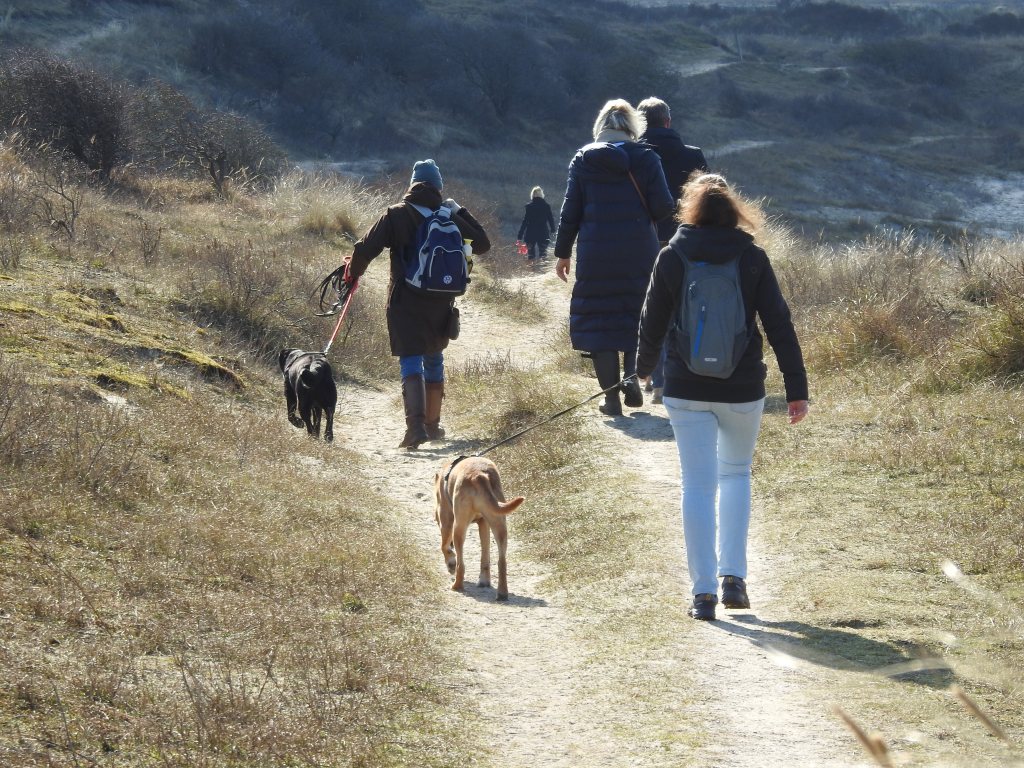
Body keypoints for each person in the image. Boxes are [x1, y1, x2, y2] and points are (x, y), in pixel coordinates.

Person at [635, 172, 809, 621]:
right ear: (735, 210)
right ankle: (734, 579)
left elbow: (652, 320)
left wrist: (641, 369)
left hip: (685, 387)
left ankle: (703, 594)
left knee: (696, 485)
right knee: (735, 475)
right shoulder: (752, 257)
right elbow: (779, 323)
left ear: (690, 210)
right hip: (742, 388)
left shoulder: (672, 255)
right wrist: (797, 389)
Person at [342, 159, 490, 449]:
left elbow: (365, 249)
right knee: (434, 357)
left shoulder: (396, 214)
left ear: (412, 185)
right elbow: (483, 244)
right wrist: (459, 210)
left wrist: (352, 275)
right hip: (440, 302)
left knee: (411, 358)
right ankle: (432, 426)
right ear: (438, 187)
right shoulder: (448, 215)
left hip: (404, 301)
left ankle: (415, 429)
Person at [554, 99, 674, 416]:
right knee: (636, 315)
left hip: (596, 253)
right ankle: (631, 377)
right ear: (633, 126)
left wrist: (562, 253)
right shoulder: (646, 157)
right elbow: (663, 206)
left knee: (599, 321)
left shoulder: (583, 160)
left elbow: (570, 211)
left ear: (600, 127)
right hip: (640, 250)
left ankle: (611, 401)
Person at [637, 96, 709, 405]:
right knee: (683, 309)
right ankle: (678, 376)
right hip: (684, 242)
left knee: (650, 308)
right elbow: (708, 201)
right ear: (668, 122)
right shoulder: (693, 155)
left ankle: (654, 378)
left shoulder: (631, 156)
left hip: (644, 241)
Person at [517, 186, 556, 261]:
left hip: (531, 233)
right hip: (543, 233)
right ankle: (543, 268)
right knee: (543, 255)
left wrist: (520, 235)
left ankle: (531, 268)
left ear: (532, 195)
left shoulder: (529, 207)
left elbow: (525, 222)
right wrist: (553, 231)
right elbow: (551, 220)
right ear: (542, 194)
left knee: (531, 256)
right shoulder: (546, 206)